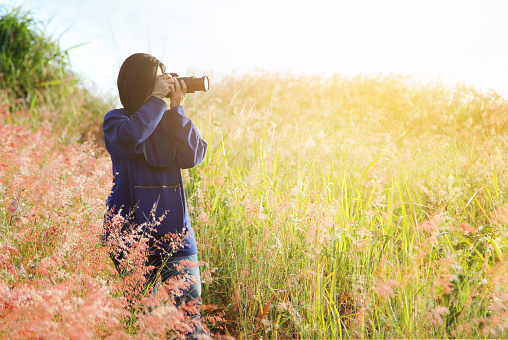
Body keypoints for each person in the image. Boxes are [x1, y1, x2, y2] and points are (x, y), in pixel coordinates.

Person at [102, 53, 208, 336]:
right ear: (139, 83)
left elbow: (194, 155)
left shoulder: (170, 120)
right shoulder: (117, 121)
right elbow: (130, 138)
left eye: (167, 78)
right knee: (140, 322)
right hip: (130, 238)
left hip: (177, 237)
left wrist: (177, 110)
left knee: (189, 323)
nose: (166, 83)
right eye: (159, 79)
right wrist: (157, 102)